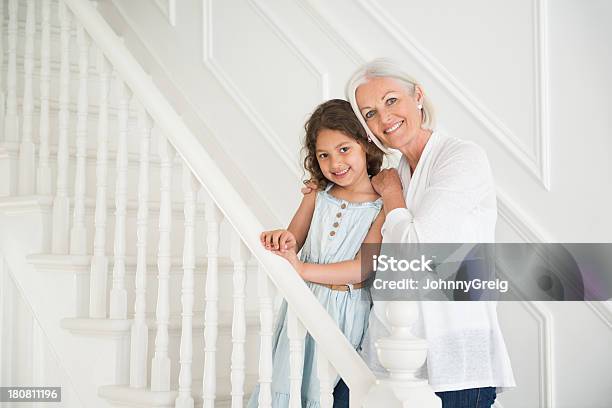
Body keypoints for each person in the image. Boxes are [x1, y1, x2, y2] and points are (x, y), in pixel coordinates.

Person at [343, 59, 516, 408]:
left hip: (454, 361)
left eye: (391, 101)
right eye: (370, 113)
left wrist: (392, 195)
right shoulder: (394, 172)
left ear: (418, 96)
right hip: (389, 353)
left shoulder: (461, 158)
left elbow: (418, 249)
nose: (384, 118)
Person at [247, 99, 385, 408]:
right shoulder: (318, 196)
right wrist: (279, 238)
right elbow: (291, 239)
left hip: (345, 310)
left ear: (365, 144)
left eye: (344, 149)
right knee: (289, 379)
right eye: (324, 155)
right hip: (305, 303)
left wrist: (303, 270)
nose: (335, 163)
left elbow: (363, 268)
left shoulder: (381, 204)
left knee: (326, 388)